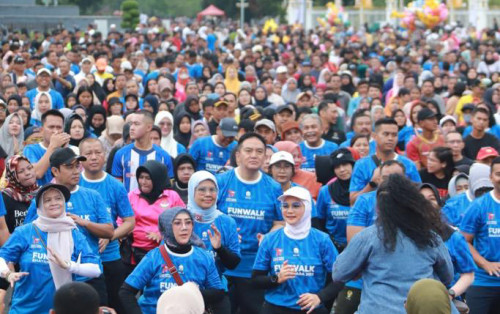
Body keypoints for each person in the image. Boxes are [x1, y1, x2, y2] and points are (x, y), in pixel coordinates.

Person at [332, 174, 455, 314]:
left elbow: (339, 273)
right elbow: (447, 276)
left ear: (378, 207)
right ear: (411, 204)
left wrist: (360, 268)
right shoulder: (430, 236)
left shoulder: (367, 237)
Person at [24, 147, 114, 304]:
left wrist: (84, 223)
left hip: (89, 276)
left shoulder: (92, 196)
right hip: (52, 277)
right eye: (69, 167)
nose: (76, 171)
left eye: (77, 166)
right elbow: (28, 235)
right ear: (55, 171)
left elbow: (109, 231)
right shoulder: (41, 199)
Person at [0, 184, 101, 313]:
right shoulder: (25, 232)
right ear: (40, 206)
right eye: (47, 200)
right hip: (24, 309)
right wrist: (8, 274)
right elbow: (1, 258)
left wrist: (69, 265)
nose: (54, 203)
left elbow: (96, 269)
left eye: (58, 198)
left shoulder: (74, 233)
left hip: (61, 309)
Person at [216, 133, 283, 314]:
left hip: (255, 268)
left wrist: (270, 235)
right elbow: (206, 217)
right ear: (238, 155)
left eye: (259, 151)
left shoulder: (273, 187)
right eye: (248, 150)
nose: (254, 155)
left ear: (265, 157)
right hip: (222, 265)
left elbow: (280, 222)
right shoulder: (221, 182)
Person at [119, 207, 225, 314]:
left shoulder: (204, 256)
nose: (184, 227)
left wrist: (190, 294)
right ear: (167, 227)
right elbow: (126, 292)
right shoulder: (154, 257)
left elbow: (218, 293)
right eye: (177, 223)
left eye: (188, 222)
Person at [252, 186, 338, 314]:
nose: (290, 211)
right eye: (285, 206)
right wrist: (276, 278)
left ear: (307, 208)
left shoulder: (322, 240)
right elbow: (255, 280)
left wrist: (320, 297)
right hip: (275, 309)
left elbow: (339, 279)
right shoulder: (270, 239)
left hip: (311, 310)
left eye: (296, 206)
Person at [79, 138, 136, 312]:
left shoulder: (115, 186)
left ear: (105, 156)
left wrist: (110, 236)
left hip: (110, 257)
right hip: (80, 260)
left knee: (115, 305)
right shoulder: (74, 184)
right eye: (88, 154)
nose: (94, 157)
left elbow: (130, 221)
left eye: (98, 152)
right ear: (80, 158)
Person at [188, 171, 241, 313]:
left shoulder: (227, 222)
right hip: (185, 292)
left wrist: (219, 248)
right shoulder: (181, 218)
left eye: (212, 189)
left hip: (216, 292)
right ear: (192, 191)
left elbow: (233, 263)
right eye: (202, 189)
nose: (208, 194)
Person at [418, 183, 475, 301]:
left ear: (439, 204)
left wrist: (450, 294)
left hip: (446, 302)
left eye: (432, 198)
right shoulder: (406, 235)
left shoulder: (453, 236)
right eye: (421, 199)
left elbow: (468, 274)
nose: (427, 203)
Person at [126, 160, 185, 269]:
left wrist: (161, 235)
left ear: (157, 179)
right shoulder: (132, 196)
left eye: (148, 178)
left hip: (165, 251)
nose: (143, 182)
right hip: (136, 252)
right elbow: (122, 221)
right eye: (141, 177)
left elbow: (183, 222)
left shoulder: (172, 196)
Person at [460, 157, 500, 314]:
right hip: (483, 282)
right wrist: (485, 264)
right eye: (498, 174)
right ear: (491, 177)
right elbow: (464, 241)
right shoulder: (479, 205)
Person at [349, 118, 421, 205]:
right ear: (374, 136)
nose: (390, 138)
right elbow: (352, 201)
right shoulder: (362, 165)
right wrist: (372, 184)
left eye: (394, 135)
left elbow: (419, 197)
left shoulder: (409, 165)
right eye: (386, 134)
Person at [112, 110, 174, 192]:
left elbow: (168, 190)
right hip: (129, 204)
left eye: (136, 124)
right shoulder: (121, 154)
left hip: (155, 204)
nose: (132, 128)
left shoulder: (163, 156)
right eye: (131, 124)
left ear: (148, 127)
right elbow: (116, 188)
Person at [316, 148, 354, 252]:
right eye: (337, 167)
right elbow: (320, 221)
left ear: (352, 165)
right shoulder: (325, 191)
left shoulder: (362, 190)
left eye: (345, 164)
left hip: (360, 246)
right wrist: (331, 243)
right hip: (334, 246)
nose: (342, 170)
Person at [23, 109, 70, 185]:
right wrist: (53, 146)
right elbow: (36, 173)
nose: (55, 131)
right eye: (51, 127)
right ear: (42, 130)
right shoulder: (30, 149)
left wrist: (66, 151)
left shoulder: (71, 148)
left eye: (59, 127)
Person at [442, 162, 493, 227]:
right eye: (480, 190)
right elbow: (443, 229)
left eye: (488, 189)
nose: (484, 194)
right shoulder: (454, 204)